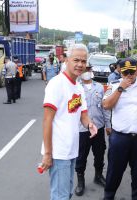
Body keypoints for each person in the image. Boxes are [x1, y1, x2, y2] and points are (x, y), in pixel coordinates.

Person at [40, 44, 98, 200]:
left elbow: (83, 115)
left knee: (67, 194)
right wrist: (47, 153)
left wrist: (90, 125)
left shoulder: (78, 87)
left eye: (83, 61)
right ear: (67, 60)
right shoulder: (56, 83)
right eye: (76, 60)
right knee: (60, 196)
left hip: (72, 149)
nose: (80, 64)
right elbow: (47, 120)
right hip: (58, 152)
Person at [102, 58, 137, 200]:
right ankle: (109, 196)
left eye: (132, 71)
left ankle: (136, 197)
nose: (129, 75)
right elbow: (106, 105)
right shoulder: (113, 85)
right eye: (126, 72)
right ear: (120, 72)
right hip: (119, 137)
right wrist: (121, 88)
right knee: (114, 170)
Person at [74, 65, 112, 196]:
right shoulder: (76, 87)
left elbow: (105, 108)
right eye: (84, 71)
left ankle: (98, 175)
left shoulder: (100, 87)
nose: (86, 73)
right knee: (81, 156)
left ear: (91, 72)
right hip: (82, 129)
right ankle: (80, 180)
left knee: (100, 153)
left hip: (99, 126)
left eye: (88, 70)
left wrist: (108, 125)